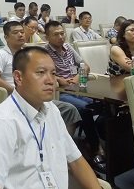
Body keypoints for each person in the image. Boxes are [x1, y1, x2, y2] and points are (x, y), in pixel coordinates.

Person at [0, 46, 100, 189]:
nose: (51, 81)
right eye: (41, 72)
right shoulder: (3, 122)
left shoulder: (51, 110)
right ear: (18, 77)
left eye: (53, 73)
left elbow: (76, 161)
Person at [0, 21, 81, 135]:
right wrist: (15, 90)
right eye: (16, 33)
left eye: (22, 32)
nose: (20, 35)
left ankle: (58, 141)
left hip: (34, 96)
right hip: (16, 97)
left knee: (69, 110)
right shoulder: (0, 55)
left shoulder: (30, 54)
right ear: (6, 37)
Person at [43, 20, 105, 168]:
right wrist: (60, 80)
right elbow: (45, 73)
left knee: (103, 104)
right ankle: (96, 148)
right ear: (47, 37)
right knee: (85, 109)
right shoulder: (44, 52)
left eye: (62, 33)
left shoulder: (68, 47)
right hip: (61, 91)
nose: (60, 37)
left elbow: (85, 66)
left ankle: (94, 139)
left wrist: (77, 77)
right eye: (56, 34)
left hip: (77, 87)